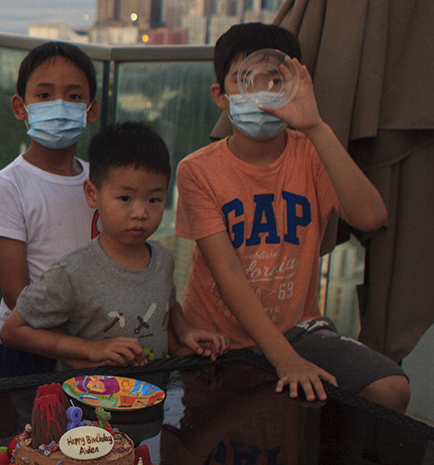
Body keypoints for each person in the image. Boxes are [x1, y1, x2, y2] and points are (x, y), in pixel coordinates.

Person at [175, 23, 410, 411]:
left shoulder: (312, 153)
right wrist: (285, 360)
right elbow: (227, 273)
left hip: (298, 329)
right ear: (221, 96)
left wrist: (316, 127)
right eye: (245, 80)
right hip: (216, 338)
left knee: (390, 389)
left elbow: (370, 216)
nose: (261, 93)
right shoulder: (198, 171)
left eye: (274, 80)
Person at [2, 121, 224, 370]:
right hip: (90, 394)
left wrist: (184, 335)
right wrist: (90, 350)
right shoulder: (74, 272)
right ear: (92, 194)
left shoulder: (163, 259)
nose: (140, 213)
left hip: (153, 392)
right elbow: (13, 330)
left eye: (154, 199)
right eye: (125, 198)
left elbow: (167, 305)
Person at [0, 41, 101, 379]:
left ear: (91, 110)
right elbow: (16, 293)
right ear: (20, 107)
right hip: (24, 349)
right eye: (44, 95)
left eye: (74, 96)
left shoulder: (99, 181)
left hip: (88, 343)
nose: (59, 106)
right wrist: (73, 346)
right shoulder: (9, 184)